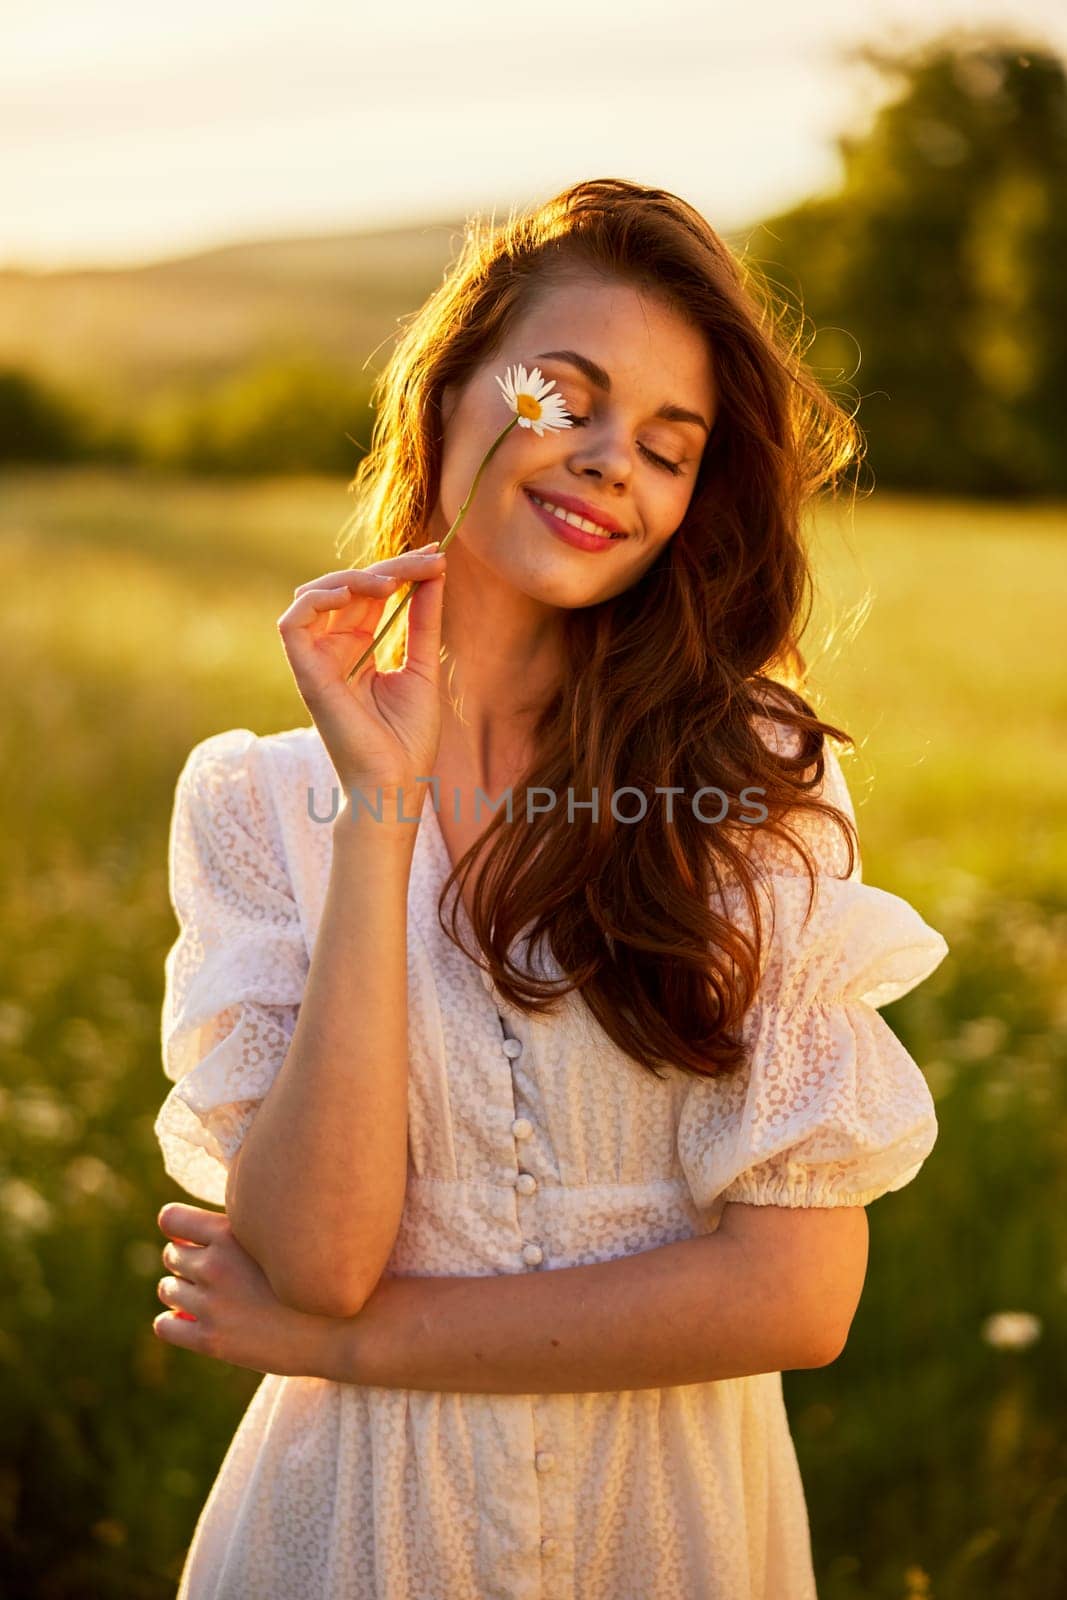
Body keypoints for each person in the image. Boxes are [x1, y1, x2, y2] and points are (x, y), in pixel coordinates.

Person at [152, 177, 949, 1599]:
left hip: (676, 1527)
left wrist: (348, 1350)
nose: (608, 464)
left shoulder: (752, 781)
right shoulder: (255, 800)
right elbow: (321, 1255)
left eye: (667, 444)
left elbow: (798, 1297)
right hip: (354, 1532)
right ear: (451, 390)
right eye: (559, 398)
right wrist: (381, 813)